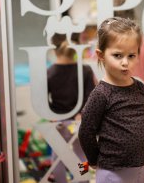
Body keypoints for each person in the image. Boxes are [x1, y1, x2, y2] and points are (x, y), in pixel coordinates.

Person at [78, 17, 144, 183]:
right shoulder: (101, 93)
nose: (125, 62)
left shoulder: (140, 88)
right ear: (101, 55)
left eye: (131, 55)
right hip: (112, 171)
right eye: (117, 55)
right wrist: (95, 160)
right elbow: (86, 131)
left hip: (141, 166)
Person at [47, 33, 98, 183]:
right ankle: (83, 180)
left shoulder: (49, 73)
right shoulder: (86, 70)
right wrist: (82, 114)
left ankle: (60, 180)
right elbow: (91, 96)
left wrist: (52, 115)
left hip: (59, 122)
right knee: (82, 154)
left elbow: (43, 100)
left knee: (58, 156)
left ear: (54, 50)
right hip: (78, 122)